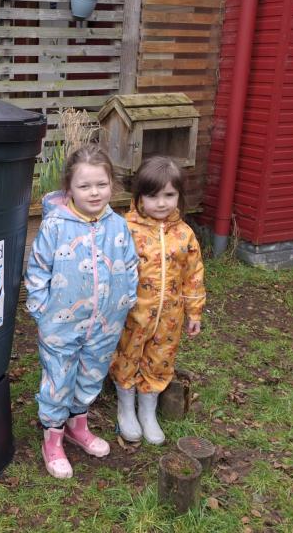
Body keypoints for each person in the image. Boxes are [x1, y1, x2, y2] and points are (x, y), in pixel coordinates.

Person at [25, 144, 139, 479]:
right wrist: (40, 309)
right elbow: (38, 269)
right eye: (84, 186)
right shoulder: (56, 226)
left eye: (101, 185)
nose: (94, 192)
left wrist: (126, 300)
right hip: (60, 323)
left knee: (90, 377)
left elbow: (131, 265)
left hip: (105, 324)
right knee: (59, 380)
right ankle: (53, 439)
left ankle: (78, 427)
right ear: (69, 188)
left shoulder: (118, 226)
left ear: (112, 185)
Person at [109, 156, 205, 445]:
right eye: (153, 195)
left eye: (169, 195)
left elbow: (193, 274)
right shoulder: (125, 228)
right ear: (139, 196)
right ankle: (126, 407)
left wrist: (195, 312)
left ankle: (148, 411)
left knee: (161, 358)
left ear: (179, 196)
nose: (161, 203)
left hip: (169, 316)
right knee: (127, 355)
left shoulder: (185, 234)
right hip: (132, 313)